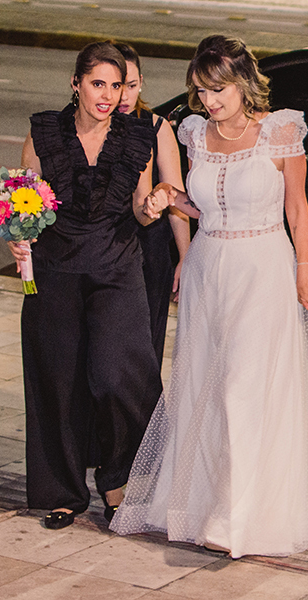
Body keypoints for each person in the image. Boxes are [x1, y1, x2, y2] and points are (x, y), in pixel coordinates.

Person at [111, 35, 308, 557]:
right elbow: (204, 207)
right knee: (204, 388)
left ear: (242, 83)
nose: (210, 101)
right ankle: (200, 500)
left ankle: (236, 513)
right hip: (208, 269)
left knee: (243, 385)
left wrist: (305, 273)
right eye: (201, 90)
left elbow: (298, 212)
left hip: (262, 270)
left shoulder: (280, 131)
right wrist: (172, 199)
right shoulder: (193, 133)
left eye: (218, 89)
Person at [9, 41, 173, 530]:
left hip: (116, 268)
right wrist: (17, 241)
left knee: (118, 375)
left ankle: (119, 477)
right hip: (55, 270)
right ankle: (63, 492)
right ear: (76, 84)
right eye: (98, 83)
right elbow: (25, 207)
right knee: (57, 382)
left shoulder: (135, 138)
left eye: (116, 85)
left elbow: (142, 206)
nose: (107, 95)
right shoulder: (42, 134)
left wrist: (155, 205)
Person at [113, 42, 190, 366]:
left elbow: (176, 200)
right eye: (118, 86)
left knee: (145, 350)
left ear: (141, 82)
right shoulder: (89, 126)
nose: (124, 96)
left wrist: (185, 259)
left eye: (131, 86)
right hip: (105, 249)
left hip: (148, 251)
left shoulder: (157, 128)